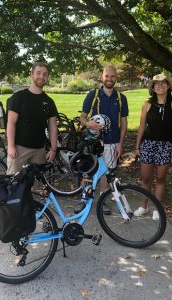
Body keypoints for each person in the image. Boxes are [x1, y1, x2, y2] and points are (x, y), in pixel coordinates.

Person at [74, 66, 129, 213]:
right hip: (93, 141)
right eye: (107, 76)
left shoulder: (121, 98)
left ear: (116, 77)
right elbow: (82, 117)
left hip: (113, 141)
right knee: (88, 171)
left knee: (106, 172)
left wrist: (120, 144)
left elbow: (124, 122)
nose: (109, 79)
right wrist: (88, 123)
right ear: (102, 77)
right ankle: (84, 199)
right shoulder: (93, 95)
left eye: (112, 76)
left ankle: (102, 201)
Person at [134, 74, 172, 215]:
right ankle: (143, 206)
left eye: (163, 83)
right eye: (157, 84)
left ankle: (157, 208)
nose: (160, 86)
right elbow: (142, 126)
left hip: (165, 145)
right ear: (153, 88)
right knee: (145, 178)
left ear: (168, 86)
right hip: (148, 144)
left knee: (160, 178)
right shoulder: (147, 105)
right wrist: (137, 146)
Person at [6, 62, 58, 175]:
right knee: (14, 186)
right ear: (31, 75)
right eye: (38, 73)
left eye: (45, 74)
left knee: (35, 187)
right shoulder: (18, 97)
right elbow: (11, 122)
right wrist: (10, 146)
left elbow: (53, 126)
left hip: (39, 151)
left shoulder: (49, 101)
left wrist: (53, 149)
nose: (41, 76)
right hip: (19, 149)